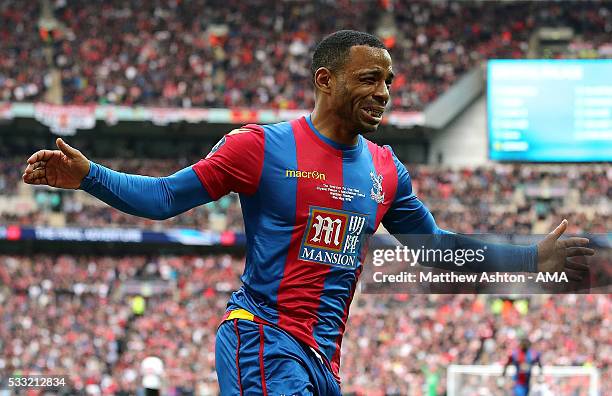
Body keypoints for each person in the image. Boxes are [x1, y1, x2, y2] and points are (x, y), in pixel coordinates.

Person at [22, 30, 593, 395]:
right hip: (263, 339)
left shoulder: (386, 168)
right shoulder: (260, 148)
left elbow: (436, 250)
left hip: (324, 364)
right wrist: (89, 176)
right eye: (370, 78)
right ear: (325, 80)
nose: (385, 93)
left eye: (389, 82)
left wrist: (531, 257)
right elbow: (167, 198)